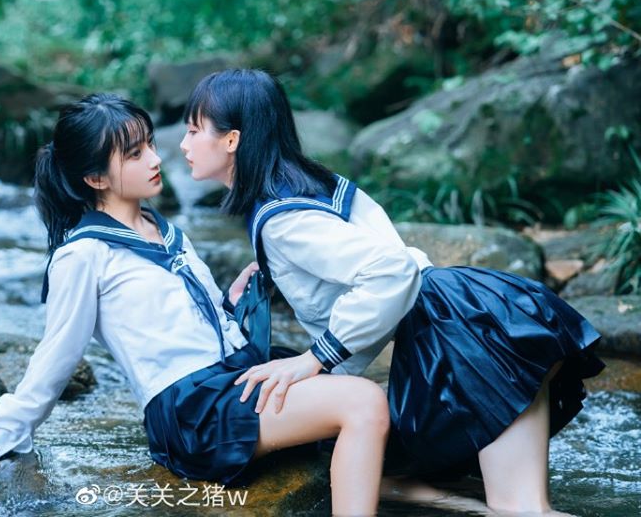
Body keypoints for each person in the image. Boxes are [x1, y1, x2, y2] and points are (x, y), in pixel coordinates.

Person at [0, 93, 390, 516]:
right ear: (96, 179)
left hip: (228, 379)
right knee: (362, 402)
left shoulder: (163, 229)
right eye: (134, 154)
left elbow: (186, 322)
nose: (156, 159)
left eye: (150, 144)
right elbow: (57, 354)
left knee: (353, 387)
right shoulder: (83, 255)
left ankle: (407, 492)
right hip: (192, 413)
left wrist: (230, 305)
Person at [179, 69, 605, 515]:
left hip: (467, 340)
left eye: (193, 131)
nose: (184, 145)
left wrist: (314, 359)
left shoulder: (282, 221)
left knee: (522, 510)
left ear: (232, 140)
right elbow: (376, 270)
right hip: (478, 319)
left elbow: (391, 272)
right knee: (433, 483)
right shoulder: (306, 184)